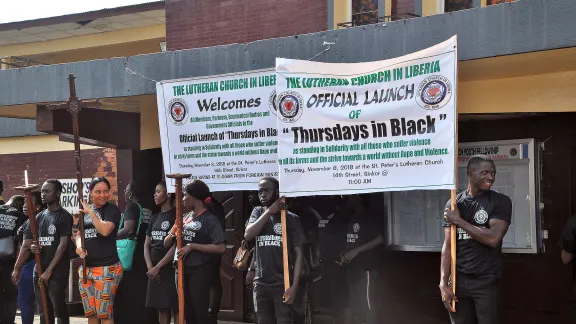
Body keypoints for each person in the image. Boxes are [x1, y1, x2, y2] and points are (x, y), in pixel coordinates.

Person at [440, 154, 512, 324]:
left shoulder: (500, 201)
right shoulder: (454, 203)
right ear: (470, 174)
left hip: (485, 280)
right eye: (485, 172)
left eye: (493, 173)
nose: (491, 177)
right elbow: (448, 246)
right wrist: (443, 283)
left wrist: (458, 221)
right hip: (458, 280)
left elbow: (493, 238)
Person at [244, 177, 307, 324]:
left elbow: (299, 255)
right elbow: (248, 235)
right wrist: (269, 212)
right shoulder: (257, 213)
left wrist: (294, 286)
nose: (263, 194)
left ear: (277, 192)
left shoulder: (291, 219)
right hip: (260, 284)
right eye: (260, 191)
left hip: (282, 283)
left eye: (267, 190)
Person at [163, 179, 225, 324]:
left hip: (199, 270)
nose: (183, 199)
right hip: (181, 270)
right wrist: (174, 233)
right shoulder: (183, 219)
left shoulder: (210, 220)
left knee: (200, 312)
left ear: (195, 198)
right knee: (186, 312)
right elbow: (166, 243)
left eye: (185, 195)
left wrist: (192, 246)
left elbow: (220, 247)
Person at [15, 180, 73, 324]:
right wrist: (34, 249)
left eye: (47, 191)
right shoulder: (38, 217)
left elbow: (63, 245)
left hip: (56, 271)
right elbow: (30, 244)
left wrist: (49, 270)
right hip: (38, 270)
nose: (43, 194)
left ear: (58, 194)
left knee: (58, 309)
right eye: (42, 191)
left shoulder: (64, 216)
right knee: (43, 311)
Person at [75, 177, 123, 324]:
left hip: (107, 268)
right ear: (90, 193)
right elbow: (78, 233)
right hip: (86, 268)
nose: (102, 195)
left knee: (104, 314)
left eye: (105, 191)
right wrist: (78, 246)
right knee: (91, 313)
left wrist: (91, 213)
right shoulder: (87, 211)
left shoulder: (112, 210)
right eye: (98, 191)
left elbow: (105, 230)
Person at [337, 194, 383, 324]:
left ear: (358, 198)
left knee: (367, 303)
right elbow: (353, 241)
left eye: (350, 196)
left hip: (366, 269)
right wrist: (344, 253)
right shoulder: (353, 217)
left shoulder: (368, 218)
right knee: (356, 303)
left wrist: (356, 251)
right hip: (352, 268)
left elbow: (380, 239)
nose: (346, 199)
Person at [113, 181, 155, 324]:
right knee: (141, 291)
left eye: (126, 189)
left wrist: (110, 236)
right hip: (144, 253)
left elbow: (129, 229)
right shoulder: (148, 209)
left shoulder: (131, 207)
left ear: (130, 194)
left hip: (130, 255)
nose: (124, 191)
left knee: (128, 292)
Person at [144, 181, 178, 324]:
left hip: (169, 269)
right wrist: (151, 268)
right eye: (155, 191)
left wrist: (159, 267)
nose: (155, 195)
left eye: (158, 191)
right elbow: (147, 245)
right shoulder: (154, 218)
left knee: (176, 307)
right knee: (161, 308)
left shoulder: (176, 217)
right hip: (154, 271)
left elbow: (175, 246)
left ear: (168, 194)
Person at [16, 191, 46, 324]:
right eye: (23, 201)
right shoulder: (44, 218)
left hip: (30, 265)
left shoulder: (32, 221)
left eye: (28, 202)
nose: (24, 205)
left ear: (38, 206)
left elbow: (26, 247)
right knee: (42, 304)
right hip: (41, 264)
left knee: (25, 302)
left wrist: (16, 268)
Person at [0, 195, 25, 324]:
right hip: (9, 261)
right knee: (10, 294)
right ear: (20, 204)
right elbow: (22, 242)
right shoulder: (20, 216)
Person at [208, 195, 225, 324]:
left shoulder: (214, 205)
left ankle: (212, 311)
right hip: (207, 248)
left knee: (213, 279)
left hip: (211, 248)